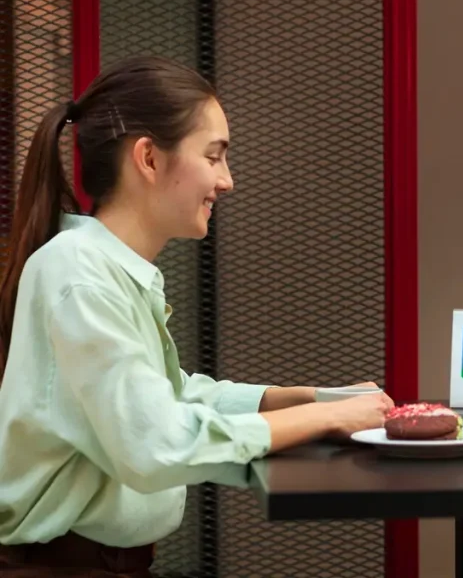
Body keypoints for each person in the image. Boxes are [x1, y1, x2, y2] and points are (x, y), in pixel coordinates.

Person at [0, 57, 393, 577]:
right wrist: (326, 417)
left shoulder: (101, 267)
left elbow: (167, 395)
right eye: (214, 156)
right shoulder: (78, 272)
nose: (226, 181)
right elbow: (156, 440)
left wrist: (294, 399)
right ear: (149, 158)